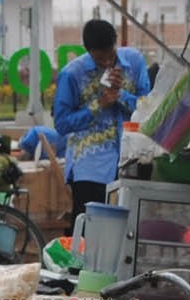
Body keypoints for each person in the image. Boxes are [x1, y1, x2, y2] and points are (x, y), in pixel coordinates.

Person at [50, 19, 153, 214]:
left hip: (131, 159)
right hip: (90, 166)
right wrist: (98, 105)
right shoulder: (72, 74)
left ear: (115, 44)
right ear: (88, 50)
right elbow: (62, 124)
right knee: (89, 231)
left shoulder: (134, 62)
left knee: (127, 228)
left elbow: (148, 109)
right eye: (100, 60)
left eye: (110, 57)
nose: (106, 63)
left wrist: (121, 94)